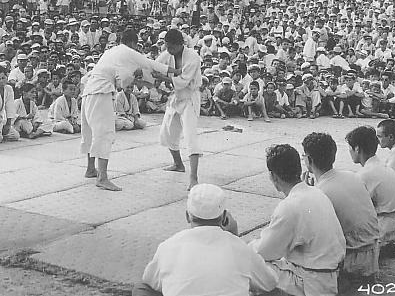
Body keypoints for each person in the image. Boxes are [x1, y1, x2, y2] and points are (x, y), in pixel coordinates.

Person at [133, 184, 277, 296]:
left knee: (141, 287)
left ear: (187, 216)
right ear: (224, 217)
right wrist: (234, 236)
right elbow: (270, 282)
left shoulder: (169, 246)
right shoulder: (240, 248)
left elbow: (149, 281)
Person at [81, 29, 177, 191]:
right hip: (100, 93)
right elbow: (152, 64)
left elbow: (122, 81)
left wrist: (142, 79)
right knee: (104, 133)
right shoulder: (128, 52)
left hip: (89, 92)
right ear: (133, 43)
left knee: (91, 132)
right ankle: (102, 178)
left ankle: (91, 169)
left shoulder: (112, 52)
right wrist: (177, 72)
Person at [250, 144, 345, 296]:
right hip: (328, 276)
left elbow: (265, 252)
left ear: (273, 177)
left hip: (311, 282)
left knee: (250, 264)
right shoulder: (317, 193)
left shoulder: (289, 206)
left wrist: (250, 246)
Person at [301, 132, 380, 282]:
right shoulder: (352, 176)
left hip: (351, 259)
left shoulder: (319, 193)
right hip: (373, 252)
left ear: (309, 159)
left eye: (303, 156)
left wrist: (304, 196)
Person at [155, 29, 203, 190]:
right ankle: (178, 164)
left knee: (190, 136)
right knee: (167, 132)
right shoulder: (167, 53)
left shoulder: (193, 57)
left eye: (171, 47)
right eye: (167, 47)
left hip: (190, 96)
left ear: (180, 44)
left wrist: (162, 77)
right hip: (176, 96)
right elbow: (157, 65)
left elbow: (183, 81)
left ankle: (193, 178)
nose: (168, 50)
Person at [345, 126, 395, 247]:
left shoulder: (365, 175)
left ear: (357, 149)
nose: (349, 151)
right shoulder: (380, 166)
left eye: (350, 148)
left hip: (384, 227)